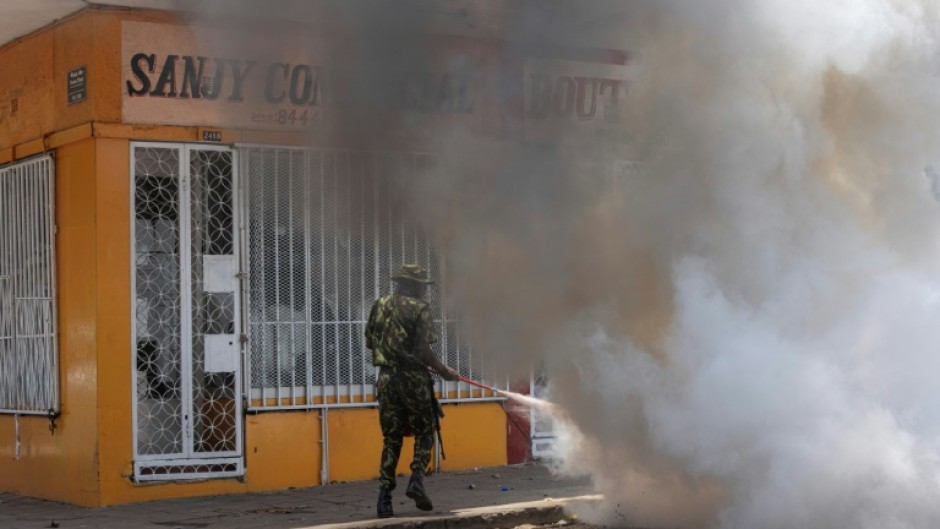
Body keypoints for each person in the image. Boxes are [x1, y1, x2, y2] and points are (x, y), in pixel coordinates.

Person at [365, 263, 460, 518]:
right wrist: (443, 371)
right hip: (413, 379)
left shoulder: (380, 304)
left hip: (386, 379)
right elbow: (423, 351)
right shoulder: (420, 309)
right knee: (425, 430)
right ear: (415, 286)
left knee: (392, 438)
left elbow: (369, 341)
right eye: (423, 287)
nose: (425, 293)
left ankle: (384, 500)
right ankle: (416, 478)